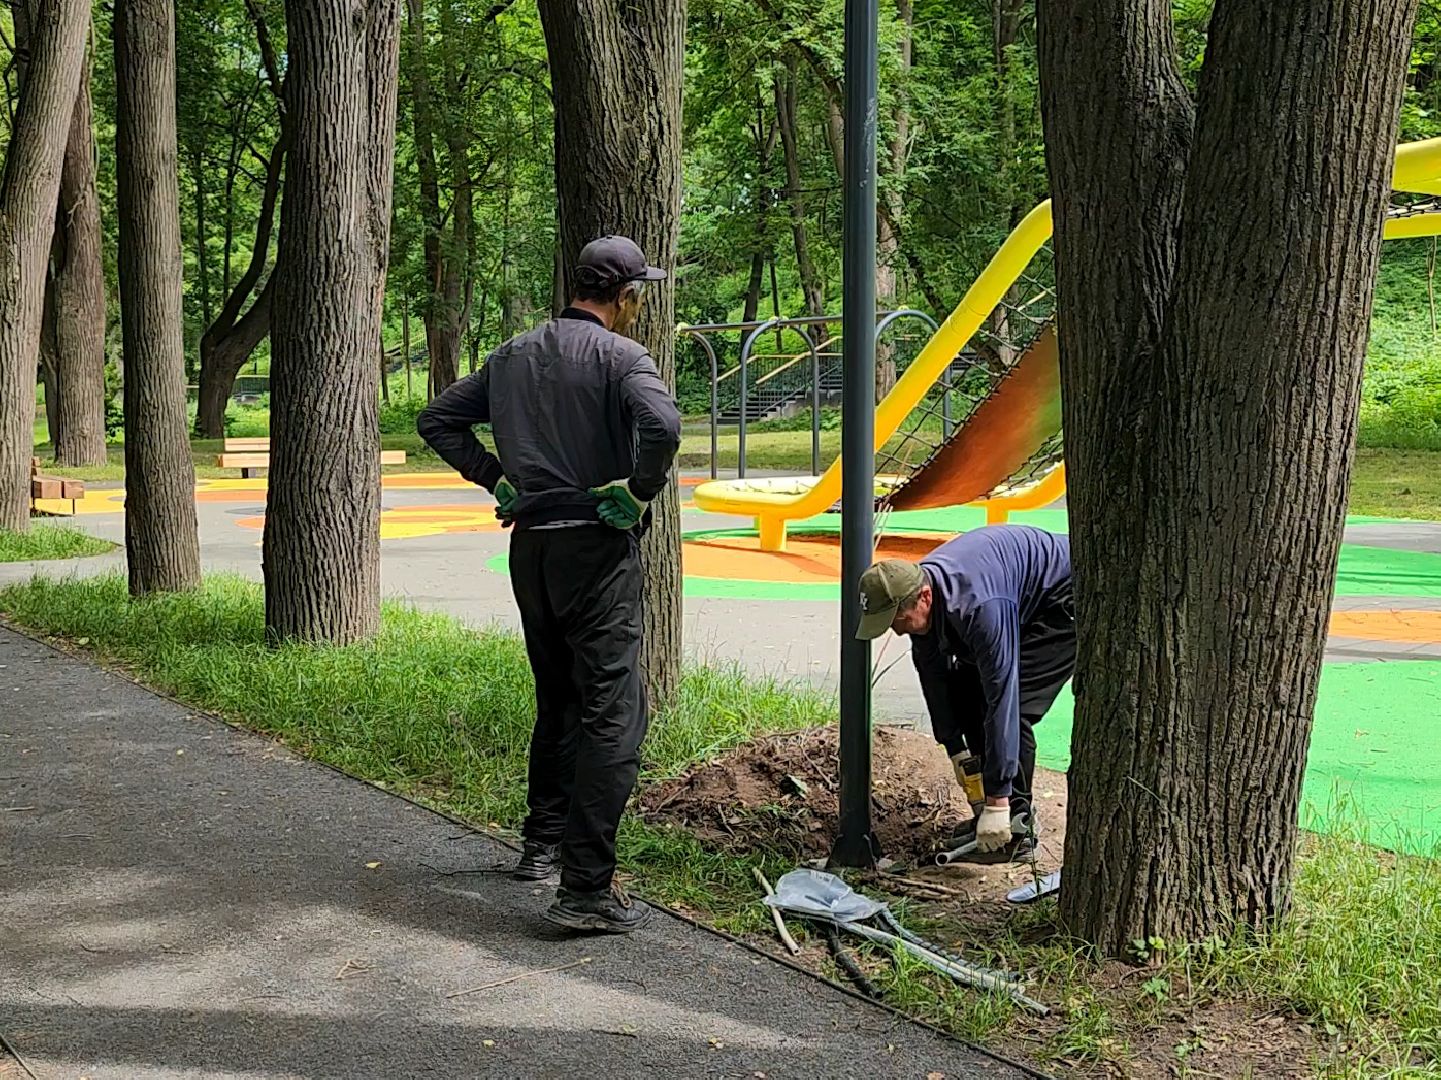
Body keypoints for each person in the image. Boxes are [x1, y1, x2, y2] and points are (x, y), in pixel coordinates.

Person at [417, 235, 682, 933]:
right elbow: (662, 424)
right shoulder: (623, 357)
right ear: (624, 298)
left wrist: (495, 477)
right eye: (637, 295)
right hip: (593, 551)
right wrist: (640, 487)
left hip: (531, 552)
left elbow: (438, 419)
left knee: (559, 699)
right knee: (614, 713)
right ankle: (585, 888)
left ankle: (540, 845)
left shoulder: (510, 355)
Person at [856, 525, 1075, 863]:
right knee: (966, 688)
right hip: (1015, 592)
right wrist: (956, 749)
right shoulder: (917, 592)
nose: (897, 630)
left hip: (1061, 597)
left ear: (925, 598)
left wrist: (998, 800)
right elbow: (934, 675)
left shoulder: (977, 606)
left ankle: (1015, 828)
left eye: (898, 620)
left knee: (1012, 704)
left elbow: (1003, 697)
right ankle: (993, 815)